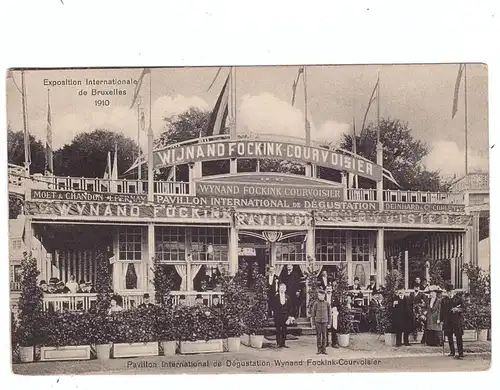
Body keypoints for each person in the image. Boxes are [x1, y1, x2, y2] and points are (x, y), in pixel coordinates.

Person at [440, 284, 465, 359]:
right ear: (446, 292)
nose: (450, 293)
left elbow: (464, 308)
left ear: (453, 291)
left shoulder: (458, 299)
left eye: (451, 291)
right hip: (448, 321)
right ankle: (452, 352)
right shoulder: (444, 300)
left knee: (458, 337)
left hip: (457, 320)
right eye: (448, 292)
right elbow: (441, 311)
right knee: (449, 337)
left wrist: (457, 309)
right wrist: (441, 320)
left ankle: (460, 353)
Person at [271, 283, 293, 348]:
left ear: (285, 289)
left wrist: (289, 316)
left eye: (284, 288)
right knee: (278, 330)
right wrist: (275, 313)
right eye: (281, 288)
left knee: (284, 330)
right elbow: (273, 306)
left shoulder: (287, 297)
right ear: (279, 288)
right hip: (277, 315)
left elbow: (290, 307)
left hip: (285, 316)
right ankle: (278, 343)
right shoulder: (276, 297)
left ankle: (283, 343)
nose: (282, 289)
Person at [311, 289, 331, 355]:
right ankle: (319, 349)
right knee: (318, 336)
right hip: (318, 322)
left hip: (325, 322)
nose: (320, 297)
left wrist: (329, 323)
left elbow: (329, 314)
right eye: (319, 295)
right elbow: (313, 314)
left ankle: (324, 349)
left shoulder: (327, 303)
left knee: (324, 336)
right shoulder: (316, 303)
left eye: (321, 295)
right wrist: (313, 323)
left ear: (324, 296)